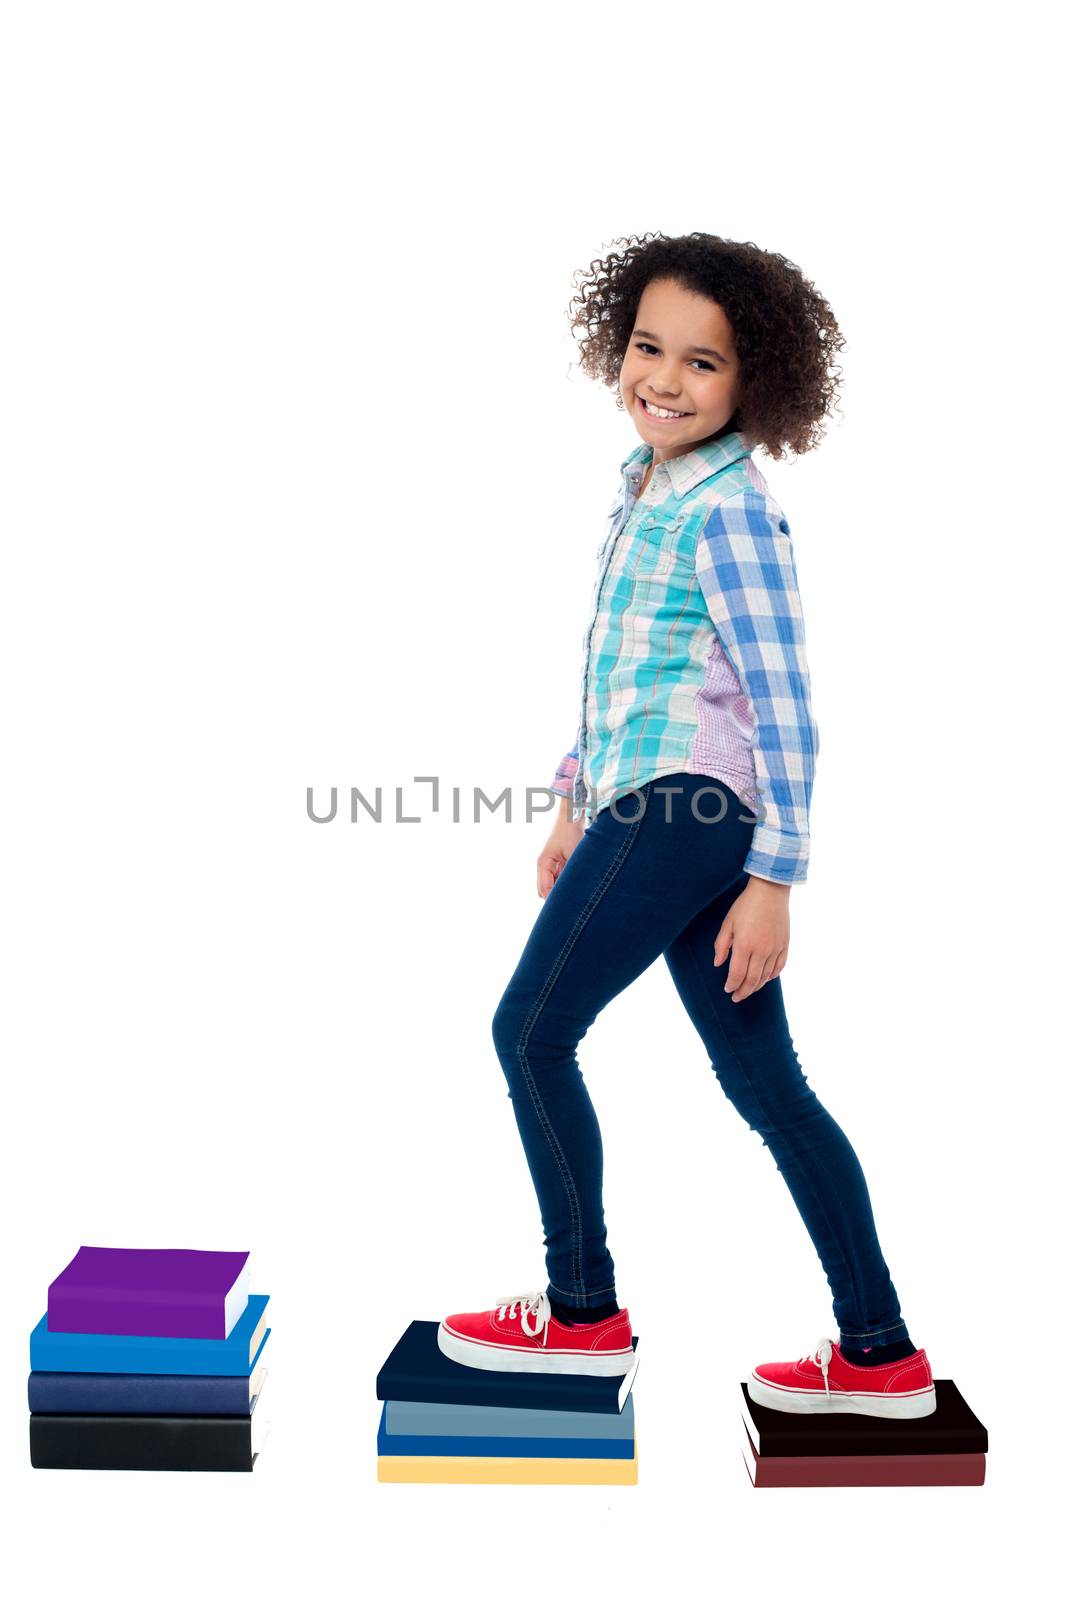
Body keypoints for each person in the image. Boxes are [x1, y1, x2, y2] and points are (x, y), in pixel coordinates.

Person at [437, 233, 935, 1420]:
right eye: (648, 346)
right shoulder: (647, 484)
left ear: (752, 385)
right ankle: (881, 1354)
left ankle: (580, 1316)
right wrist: (572, 799)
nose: (664, 377)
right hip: (649, 801)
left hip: (691, 812)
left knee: (529, 1032)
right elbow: (631, 674)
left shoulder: (729, 513)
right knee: (768, 1084)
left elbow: (784, 708)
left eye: (701, 363)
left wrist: (776, 879)